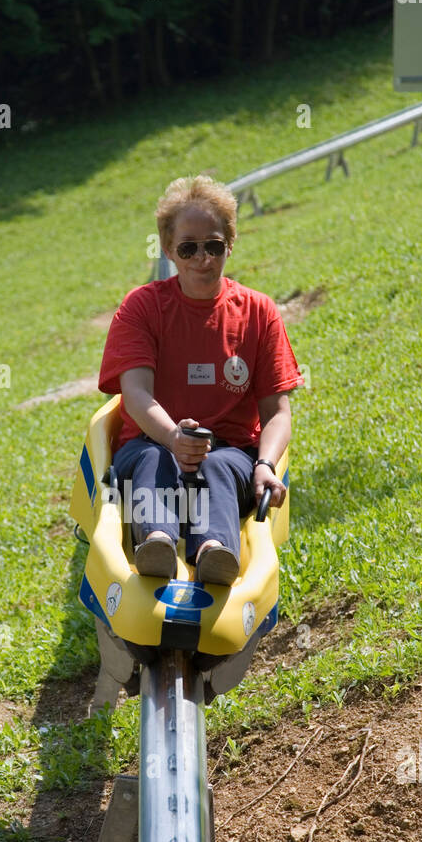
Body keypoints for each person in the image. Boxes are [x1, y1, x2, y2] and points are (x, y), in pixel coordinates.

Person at [98, 175, 302, 585]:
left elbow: (277, 410)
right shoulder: (143, 307)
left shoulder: (258, 312)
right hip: (151, 444)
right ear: (169, 250)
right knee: (156, 459)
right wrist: (173, 436)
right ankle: (155, 542)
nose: (203, 259)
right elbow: (135, 393)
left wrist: (265, 464)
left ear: (230, 243)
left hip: (230, 452)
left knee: (219, 465)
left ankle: (213, 551)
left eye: (213, 245)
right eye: (189, 248)